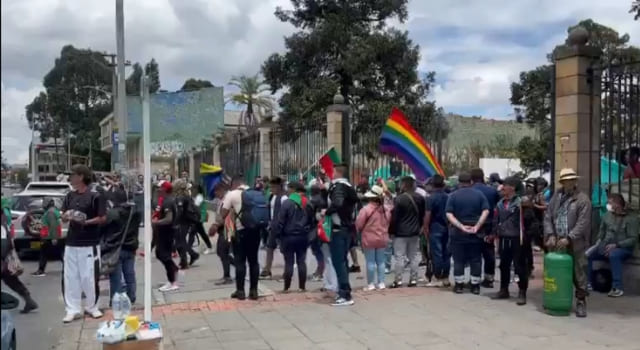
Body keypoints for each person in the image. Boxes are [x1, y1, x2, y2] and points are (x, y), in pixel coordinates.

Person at [60, 165, 106, 323]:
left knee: (89, 277)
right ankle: (72, 309)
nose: (70, 178)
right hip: (71, 242)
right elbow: (63, 215)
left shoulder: (95, 196)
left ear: (81, 177)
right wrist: (66, 216)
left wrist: (86, 221)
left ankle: (92, 306)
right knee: (70, 277)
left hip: (89, 242)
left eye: (72, 175)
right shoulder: (69, 196)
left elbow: (102, 217)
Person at [544, 168, 591, 317]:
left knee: (579, 272)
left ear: (575, 181)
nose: (568, 183)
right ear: (562, 182)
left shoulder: (583, 199)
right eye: (566, 181)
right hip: (557, 240)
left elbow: (583, 223)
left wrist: (569, 237)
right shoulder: (556, 197)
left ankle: (581, 302)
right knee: (558, 273)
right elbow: (548, 216)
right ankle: (557, 300)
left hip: (575, 242)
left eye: (571, 180)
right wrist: (550, 234)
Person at [445, 172, 490, 295]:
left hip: (458, 233)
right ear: (471, 182)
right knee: (476, 259)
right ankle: (475, 285)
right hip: (476, 233)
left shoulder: (453, 196)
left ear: (459, 182)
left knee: (458, 259)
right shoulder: (479, 195)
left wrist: (460, 226)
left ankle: (459, 285)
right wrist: (477, 226)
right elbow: (486, 210)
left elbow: (449, 214)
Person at [587, 193, 638, 297]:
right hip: (606, 246)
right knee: (589, 255)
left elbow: (633, 239)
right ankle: (589, 283)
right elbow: (601, 232)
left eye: (610, 203)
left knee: (614, 255)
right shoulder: (607, 216)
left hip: (623, 248)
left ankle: (617, 287)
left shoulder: (631, 218)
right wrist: (599, 243)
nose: (608, 205)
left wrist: (616, 245)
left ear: (617, 204)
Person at [491, 177, 531, 305]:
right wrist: (494, 232)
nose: (503, 188)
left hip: (517, 238)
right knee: (504, 265)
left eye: (505, 185)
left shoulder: (521, 202)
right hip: (503, 237)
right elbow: (496, 219)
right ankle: (504, 289)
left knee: (519, 266)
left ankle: (522, 291)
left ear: (513, 188)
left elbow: (529, 220)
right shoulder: (500, 203)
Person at [221, 177, 262, 301]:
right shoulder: (256, 193)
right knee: (254, 261)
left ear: (234, 184)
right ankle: (254, 290)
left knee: (240, 261)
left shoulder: (232, 194)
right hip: (255, 231)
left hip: (240, 231)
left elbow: (223, 213)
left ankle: (240, 291)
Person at [325, 163, 358, 306]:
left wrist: (325, 212)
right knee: (343, 261)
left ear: (337, 173)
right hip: (347, 228)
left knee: (339, 262)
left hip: (339, 228)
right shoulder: (349, 187)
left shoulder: (338, 187)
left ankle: (344, 294)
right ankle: (345, 290)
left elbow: (337, 203)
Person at [274, 182, 314, 292]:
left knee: (289, 262)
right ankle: (302, 287)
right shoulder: (307, 203)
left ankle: (286, 287)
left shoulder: (287, 203)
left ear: (293, 189)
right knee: (301, 261)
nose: (287, 190)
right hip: (303, 236)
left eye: (289, 188)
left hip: (288, 236)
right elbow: (312, 221)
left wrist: (278, 235)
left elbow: (280, 221)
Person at [389, 176, 426, 288]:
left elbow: (394, 218)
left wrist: (391, 231)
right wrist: (420, 227)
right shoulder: (420, 198)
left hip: (400, 232)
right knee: (414, 257)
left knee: (399, 256)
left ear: (404, 185)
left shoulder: (399, 199)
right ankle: (413, 279)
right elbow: (422, 215)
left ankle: (398, 280)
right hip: (415, 231)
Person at [105, 191, 140, 304]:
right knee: (130, 273)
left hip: (116, 248)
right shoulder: (134, 212)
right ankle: (131, 296)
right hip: (131, 246)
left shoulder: (112, 213)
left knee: (116, 276)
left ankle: (116, 299)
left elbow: (105, 230)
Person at [1, 208, 38, 313]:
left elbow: (4, 244)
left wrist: (3, 257)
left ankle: (29, 301)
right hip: (6, 260)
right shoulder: (4, 225)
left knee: (12, 281)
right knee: (12, 281)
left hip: (3, 260)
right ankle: (29, 301)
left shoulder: (1, 227)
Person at [356, 185, 391, 291]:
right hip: (382, 237)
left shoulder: (365, 210)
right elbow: (388, 222)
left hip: (369, 238)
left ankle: (371, 283)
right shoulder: (386, 210)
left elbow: (359, 224)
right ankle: (381, 283)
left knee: (370, 262)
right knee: (381, 261)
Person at [470, 168, 500, 288]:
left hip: (474, 225)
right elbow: (498, 207)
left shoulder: (470, 191)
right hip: (489, 225)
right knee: (489, 252)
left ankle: (474, 278)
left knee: (474, 253)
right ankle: (489, 278)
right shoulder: (492, 191)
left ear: (472, 179)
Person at [152, 180, 180, 292]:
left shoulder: (168, 202)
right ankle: (173, 270)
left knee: (165, 256)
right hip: (163, 232)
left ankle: (172, 282)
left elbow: (169, 219)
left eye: (160, 187)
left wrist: (155, 222)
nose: (158, 189)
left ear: (165, 189)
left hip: (167, 232)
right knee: (160, 254)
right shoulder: (163, 200)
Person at [424, 174, 450, 288]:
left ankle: (437, 276)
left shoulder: (430, 198)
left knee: (437, 253)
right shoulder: (448, 197)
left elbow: (428, 215)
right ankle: (446, 277)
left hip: (435, 228)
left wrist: (425, 228)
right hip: (448, 227)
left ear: (432, 185)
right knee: (446, 253)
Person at [260, 177, 287, 280]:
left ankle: (287, 271)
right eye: (271, 187)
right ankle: (267, 269)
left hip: (280, 227)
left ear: (279, 187)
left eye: (273, 187)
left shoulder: (284, 198)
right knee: (269, 248)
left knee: (284, 250)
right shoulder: (272, 196)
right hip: (272, 226)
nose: (271, 189)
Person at [209, 183, 234, 285]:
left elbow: (228, 216)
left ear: (222, 189)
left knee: (223, 251)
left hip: (228, 228)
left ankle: (227, 277)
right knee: (221, 252)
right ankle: (238, 265)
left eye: (217, 190)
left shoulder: (228, 199)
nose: (215, 193)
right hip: (223, 228)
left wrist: (215, 225)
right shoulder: (222, 200)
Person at [33, 197, 63, 276]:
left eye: (44, 202)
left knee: (44, 253)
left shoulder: (50, 212)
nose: (43, 204)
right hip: (50, 235)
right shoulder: (53, 211)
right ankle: (41, 269)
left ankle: (41, 270)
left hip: (49, 236)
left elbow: (53, 225)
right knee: (59, 253)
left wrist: (54, 237)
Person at [173, 179, 200, 269]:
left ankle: (186, 260)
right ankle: (187, 258)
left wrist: (175, 222)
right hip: (187, 221)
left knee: (180, 242)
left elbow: (180, 211)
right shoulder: (186, 195)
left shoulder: (180, 197)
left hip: (183, 222)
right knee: (181, 241)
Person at [191, 185, 213, 255]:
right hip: (197, 217)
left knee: (197, 233)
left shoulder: (199, 197)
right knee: (198, 232)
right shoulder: (196, 197)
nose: (192, 190)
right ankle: (190, 249)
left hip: (199, 217)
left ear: (197, 190)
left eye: (194, 189)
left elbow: (196, 206)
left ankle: (209, 247)